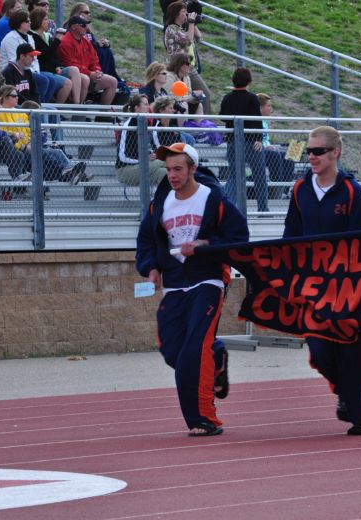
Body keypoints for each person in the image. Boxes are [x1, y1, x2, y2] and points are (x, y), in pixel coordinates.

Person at [135, 142, 249, 436]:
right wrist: (151, 266)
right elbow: (147, 240)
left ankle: (203, 418)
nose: (172, 175)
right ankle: (217, 357)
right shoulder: (159, 203)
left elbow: (239, 237)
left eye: (178, 169)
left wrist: (205, 244)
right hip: (174, 284)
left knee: (194, 349)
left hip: (207, 280)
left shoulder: (212, 199)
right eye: (168, 169)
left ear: (192, 169)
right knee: (172, 350)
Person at [282, 126, 361, 436]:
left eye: (318, 151)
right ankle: (346, 395)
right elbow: (290, 239)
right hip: (312, 288)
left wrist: (357, 287)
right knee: (320, 352)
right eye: (309, 151)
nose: (312, 156)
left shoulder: (352, 192)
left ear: (335, 152)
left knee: (353, 351)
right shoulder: (299, 190)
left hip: (346, 288)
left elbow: (360, 245)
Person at [0, 84, 86, 185]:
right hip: (17, 151)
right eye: (14, 96)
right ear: (5, 97)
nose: (17, 97)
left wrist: (31, 143)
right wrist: (23, 147)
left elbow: (29, 132)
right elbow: (5, 136)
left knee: (49, 164)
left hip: (30, 147)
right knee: (57, 153)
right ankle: (70, 171)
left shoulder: (20, 113)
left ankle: (69, 174)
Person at [219, 67, 268, 212]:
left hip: (233, 141)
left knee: (235, 175)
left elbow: (222, 116)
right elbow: (256, 119)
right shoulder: (252, 98)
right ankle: (263, 209)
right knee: (259, 175)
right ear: (249, 81)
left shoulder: (228, 97)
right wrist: (259, 138)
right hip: (252, 142)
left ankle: (227, 206)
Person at [0, 10, 70, 104]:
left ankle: (42, 104)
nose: (30, 23)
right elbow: (15, 60)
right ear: (20, 23)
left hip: (28, 70)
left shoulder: (30, 37)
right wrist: (32, 73)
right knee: (44, 80)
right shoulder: (10, 38)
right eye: (27, 21)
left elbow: (35, 59)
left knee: (52, 81)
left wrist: (35, 71)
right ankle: (36, 106)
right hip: (13, 73)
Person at [57, 15, 117, 106]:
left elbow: (94, 60)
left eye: (86, 25)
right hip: (71, 75)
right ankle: (78, 109)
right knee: (85, 79)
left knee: (112, 81)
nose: (86, 27)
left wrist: (97, 71)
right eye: (83, 25)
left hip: (88, 74)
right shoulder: (65, 41)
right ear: (73, 27)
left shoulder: (85, 41)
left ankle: (103, 115)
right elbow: (70, 64)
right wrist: (90, 73)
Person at [163, 1, 211, 112]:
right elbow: (187, 41)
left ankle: (198, 122)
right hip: (179, 69)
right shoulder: (171, 29)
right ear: (176, 14)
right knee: (205, 94)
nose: (186, 14)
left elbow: (199, 37)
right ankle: (204, 122)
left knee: (195, 97)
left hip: (188, 68)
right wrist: (190, 23)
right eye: (184, 12)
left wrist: (193, 23)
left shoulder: (182, 29)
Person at [30, 8, 84, 105]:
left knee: (74, 70)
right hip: (42, 70)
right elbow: (44, 55)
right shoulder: (32, 36)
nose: (49, 22)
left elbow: (55, 55)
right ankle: (57, 111)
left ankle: (77, 104)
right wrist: (57, 41)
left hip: (53, 69)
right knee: (67, 83)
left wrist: (58, 66)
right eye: (45, 19)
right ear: (39, 21)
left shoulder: (47, 36)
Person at [116, 94, 166, 189]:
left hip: (141, 166)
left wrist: (150, 155)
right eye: (146, 105)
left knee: (164, 173)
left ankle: (162, 202)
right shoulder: (128, 126)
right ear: (137, 108)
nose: (149, 107)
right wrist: (144, 159)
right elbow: (122, 157)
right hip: (125, 170)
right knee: (167, 161)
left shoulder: (143, 123)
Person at [255, 93, 296, 191]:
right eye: (268, 106)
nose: (271, 108)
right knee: (274, 155)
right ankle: (277, 188)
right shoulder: (253, 120)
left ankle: (285, 189)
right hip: (255, 151)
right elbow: (254, 140)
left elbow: (265, 140)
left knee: (289, 156)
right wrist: (267, 147)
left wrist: (270, 146)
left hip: (266, 149)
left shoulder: (264, 120)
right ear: (260, 108)